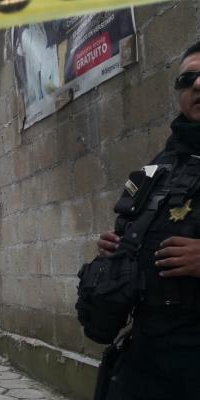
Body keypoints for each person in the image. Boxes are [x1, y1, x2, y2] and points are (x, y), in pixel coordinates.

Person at [95, 42, 200, 399]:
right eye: (188, 79)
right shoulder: (161, 164)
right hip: (149, 352)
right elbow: (130, 227)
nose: (197, 85)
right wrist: (118, 247)